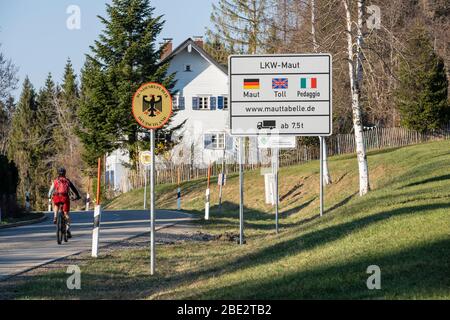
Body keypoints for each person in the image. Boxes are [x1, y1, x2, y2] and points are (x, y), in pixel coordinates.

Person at [48, 167, 81, 238]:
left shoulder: (56, 180)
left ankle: (55, 216)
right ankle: (68, 229)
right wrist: (78, 196)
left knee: (56, 205)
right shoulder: (67, 181)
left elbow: (51, 190)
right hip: (65, 198)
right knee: (66, 213)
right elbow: (74, 189)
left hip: (57, 196)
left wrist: (49, 196)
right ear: (65, 173)